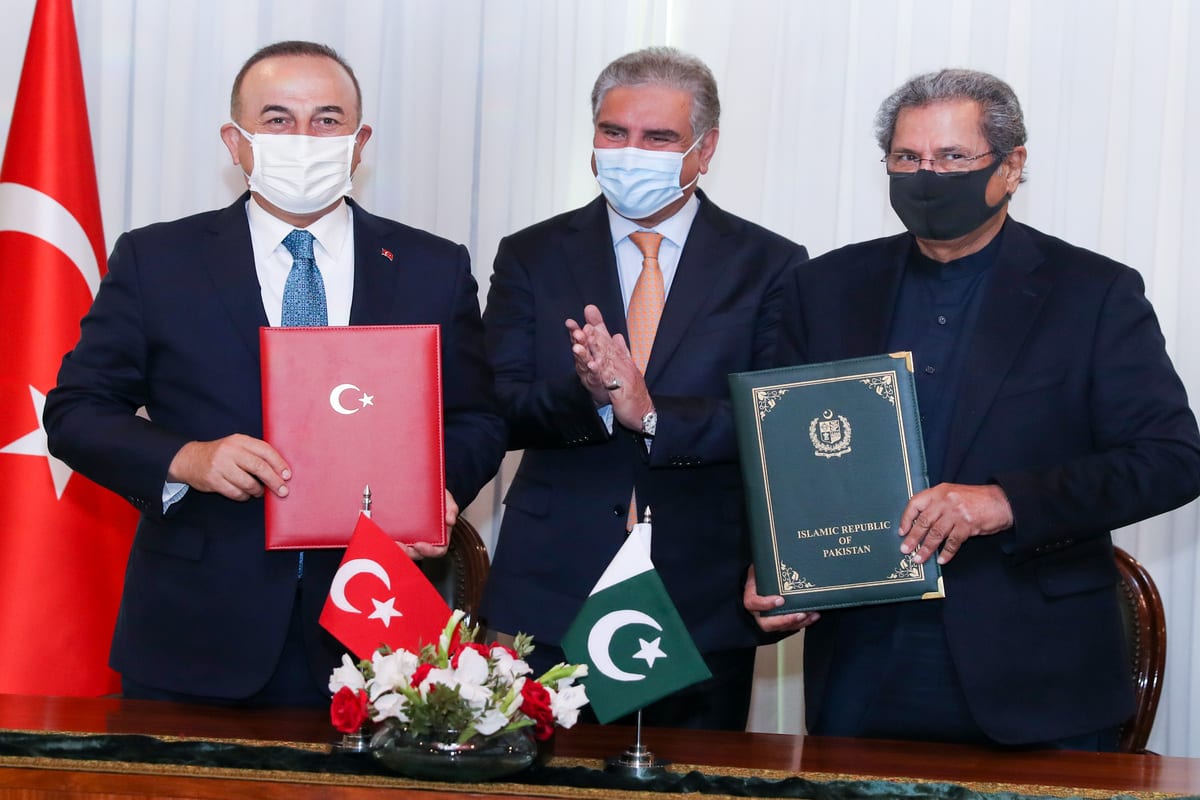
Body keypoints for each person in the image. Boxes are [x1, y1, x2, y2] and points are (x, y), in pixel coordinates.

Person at [745, 68, 1200, 749]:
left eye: (953, 157)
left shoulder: (1093, 293)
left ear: (1011, 166)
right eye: (907, 158)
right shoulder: (826, 287)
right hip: (864, 662)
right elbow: (782, 451)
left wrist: (1005, 501)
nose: (927, 176)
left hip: (1040, 673)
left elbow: (1172, 460)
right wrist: (774, 559)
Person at [43, 41, 506, 707]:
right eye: (278, 119)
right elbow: (76, 411)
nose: (304, 137)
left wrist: (439, 488)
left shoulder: (431, 265)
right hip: (195, 633)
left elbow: (477, 416)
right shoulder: (157, 260)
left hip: (377, 630)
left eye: (325, 119)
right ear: (236, 142)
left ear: (358, 139)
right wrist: (188, 458)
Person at [480, 46, 809, 730]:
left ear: (704, 147)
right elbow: (499, 404)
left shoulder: (771, 264)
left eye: (658, 138)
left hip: (701, 591)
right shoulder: (532, 254)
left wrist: (654, 413)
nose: (632, 152)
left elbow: (776, 422)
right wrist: (594, 397)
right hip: (551, 587)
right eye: (614, 132)